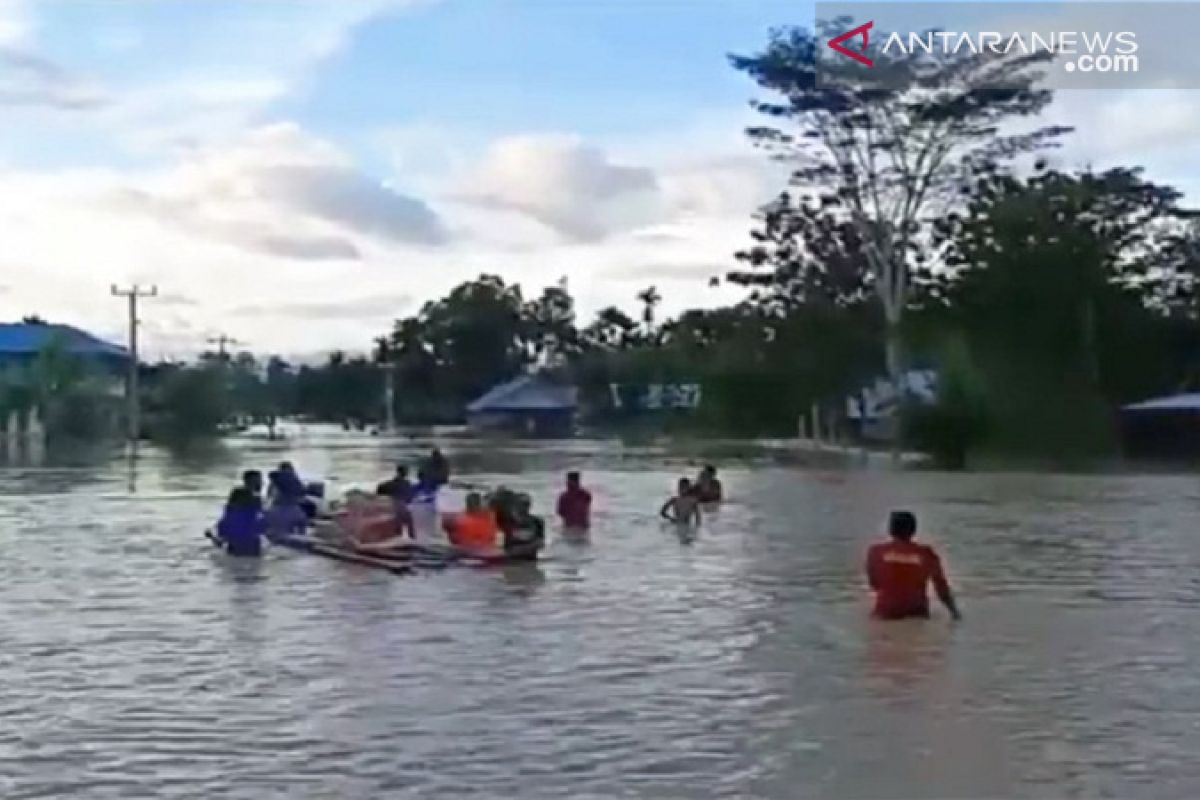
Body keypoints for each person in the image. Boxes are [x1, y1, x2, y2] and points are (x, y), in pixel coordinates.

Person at [866, 511, 961, 621]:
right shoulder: (926, 553)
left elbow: (874, 583)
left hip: (886, 612)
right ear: (913, 530)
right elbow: (941, 588)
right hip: (917, 612)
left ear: (891, 530)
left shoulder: (875, 552)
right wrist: (954, 612)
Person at [215, 486, 266, 557]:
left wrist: (210, 536)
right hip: (254, 551)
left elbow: (220, 541)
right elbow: (263, 530)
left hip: (235, 554)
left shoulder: (228, 520)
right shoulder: (255, 518)